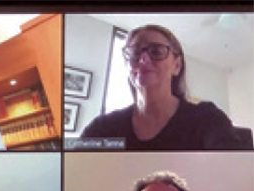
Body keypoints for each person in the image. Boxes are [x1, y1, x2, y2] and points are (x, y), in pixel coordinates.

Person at [81, 24, 250, 150]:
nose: (143, 59)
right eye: (134, 53)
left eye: (156, 51)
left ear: (176, 65)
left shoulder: (207, 118)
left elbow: (234, 172)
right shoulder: (102, 127)